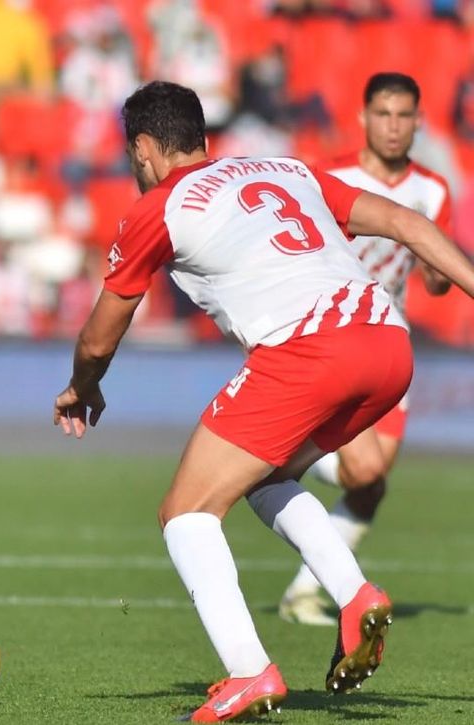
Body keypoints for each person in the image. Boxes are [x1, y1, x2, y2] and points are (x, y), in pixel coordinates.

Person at [53, 81, 474, 722]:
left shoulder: (159, 207)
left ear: (142, 149)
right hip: (389, 347)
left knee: (186, 513)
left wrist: (83, 387)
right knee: (268, 476)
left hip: (309, 352)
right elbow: (407, 224)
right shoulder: (285, 168)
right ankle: (356, 595)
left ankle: (250, 673)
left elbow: (99, 335)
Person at [279, 72, 454, 626]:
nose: (394, 126)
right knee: (363, 470)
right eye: (383, 114)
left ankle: (302, 595)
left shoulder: (432, 190)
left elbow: (437, 282)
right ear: (363, 118)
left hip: (391, 343)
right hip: (334, 336)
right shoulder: (332, 176)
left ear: (419, 122)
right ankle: (279, 460)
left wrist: (435, 268)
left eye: (404, 116)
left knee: (371, 486)